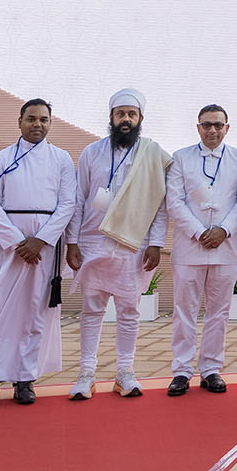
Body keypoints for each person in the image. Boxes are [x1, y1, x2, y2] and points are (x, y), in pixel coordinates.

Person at [0, 99, 77, 409]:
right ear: (20, 121)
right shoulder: (0, 158)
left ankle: (25, 379)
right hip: (5, 246)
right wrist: (15, 241)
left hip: (44, 248)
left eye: (44, 119)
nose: (38, 124)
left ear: (50, 123)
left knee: (34, 313)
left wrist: (40, 240)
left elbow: (68, 204)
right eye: (31, 119)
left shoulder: (61, 159)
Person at [66, 88, 171, 400]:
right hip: (92, 241)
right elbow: (77, 200)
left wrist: (156, 243)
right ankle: (86, 373)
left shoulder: (151, 154)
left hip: (132, 245)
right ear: (111, 118)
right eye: (120, 114)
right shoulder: (91, 153)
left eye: (131, 114)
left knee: (129, 311)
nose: (126, 119)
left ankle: (125, 372)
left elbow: (160, 205)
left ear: (140, 119)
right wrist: (72, 241)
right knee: (91, 310)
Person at [165, 104, 237, 396]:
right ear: (197, 127)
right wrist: (200, 232)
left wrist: (223, 230)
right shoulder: (181, 158)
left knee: (219, 311)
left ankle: (211, 368)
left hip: (225, 246)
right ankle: (182, 370)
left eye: (217, 125)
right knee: (184, 310)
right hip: (190, 246)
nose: (212, 130)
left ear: (227, 127)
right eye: (206, 125)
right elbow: (174, 202)